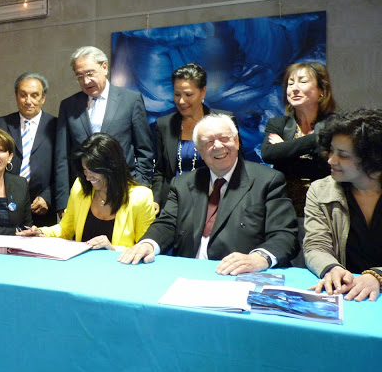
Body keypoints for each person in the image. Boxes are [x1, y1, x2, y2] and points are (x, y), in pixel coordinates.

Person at [119, 114, 299, 274]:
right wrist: (147, 243)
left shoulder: (267, 180)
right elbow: (166, 225)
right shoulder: (182, 184)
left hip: (238, 276)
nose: (218, 146)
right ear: (200, 151)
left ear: (236, 141)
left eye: (224, 138)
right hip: (187, 274)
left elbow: (285, 235)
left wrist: (258, 258)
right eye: (208, 142)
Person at [54, 46, 153, 217]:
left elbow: (144, 150)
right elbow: (61, 157)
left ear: (105, 67)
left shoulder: (130, 100)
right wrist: (63, 202)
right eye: (80, 76)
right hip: (84, 192)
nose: (86, 81)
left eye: (90, 73)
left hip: (124, 190)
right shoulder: (69, 106)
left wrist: (141, 188)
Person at [304, 109, 382, 302]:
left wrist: (377, 276)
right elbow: (315, 245)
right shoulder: (320, 190)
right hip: (348, 295)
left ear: (373, 159)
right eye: (331, 151)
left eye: (343, 155)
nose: (331, 160)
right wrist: (331, 269)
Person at [30, 133, 155, 251]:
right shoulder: (80, 186)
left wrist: (112, 248)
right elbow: (65, 230)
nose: (88, 177)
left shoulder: (141, 197)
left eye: (93, 171)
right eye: (85, 170)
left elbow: (144, 249)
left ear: (112, 168)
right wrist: (40, 233)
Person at [152, 63, 238, 214]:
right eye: (177, 94)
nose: (181, 101)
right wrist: (156, 199)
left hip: (213, 200)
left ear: (203, 91)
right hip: (173, 202)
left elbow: (237, 165)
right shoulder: (164, 124)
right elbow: (160, 170)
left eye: (188, 94)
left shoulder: (224, 120)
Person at [261, 62, 336, 215]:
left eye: (302, 82)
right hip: (284, 207)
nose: (294, 88)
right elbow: (268, 154)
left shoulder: (334, 124)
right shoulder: (277, 123)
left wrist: (285, 149)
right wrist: (316, 140)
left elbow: (325, 166)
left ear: (321, 90)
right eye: (290, 83)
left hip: (324, 205)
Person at [0, 73, 57, 226]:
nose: (28, 101)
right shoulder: (1, 124)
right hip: (5, 204)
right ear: (16, 96)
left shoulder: (56, 126)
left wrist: (48, 197)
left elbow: (62, 168)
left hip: (41, 207)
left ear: (43, 98)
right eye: (23, 95)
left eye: (34, 95)